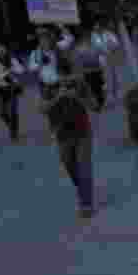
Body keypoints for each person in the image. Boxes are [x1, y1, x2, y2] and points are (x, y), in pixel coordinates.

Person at [42, 75, 96, 218]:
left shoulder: (79, 83)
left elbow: (94, 105)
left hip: (83, 132)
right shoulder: (49, 86)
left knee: (84, 167)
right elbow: (42, 108)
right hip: (63, 136)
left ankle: (86, 204)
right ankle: (82, 188)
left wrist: (78, 97)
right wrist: (59, 97)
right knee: (69, 165)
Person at [0, 43, 26, 142]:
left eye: (3, 48)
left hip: (12, 88)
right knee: (2, 113)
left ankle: (14, 133)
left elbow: (21, 70)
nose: (1, 50)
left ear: (6, 49)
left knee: (13, 111)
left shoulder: (11, 59)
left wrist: (11, 69)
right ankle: (12, 127)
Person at [28, 28, 68, 103]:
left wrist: (61, 27)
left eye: (46, 39)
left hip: (58, 84)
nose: (44, 42)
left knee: (62, 104)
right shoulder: (35, 53)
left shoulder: (57, 50)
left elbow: (69, 40)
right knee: (49, 107)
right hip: (45, 85)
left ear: (50, 40)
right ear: (39, 41)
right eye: (42, 40)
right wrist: (40, 64)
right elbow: (31, 68)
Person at [72, 27, 106, 111]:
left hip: (97, 71)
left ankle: (99, 102)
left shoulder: (95, 45)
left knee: (99, 88)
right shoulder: (79, 48)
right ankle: (96, 104)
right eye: (86, 37)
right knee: (92, 89)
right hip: (88, 73)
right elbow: (78, 62)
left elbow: (101, 56)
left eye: (89, 36)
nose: (88, 38)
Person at [91, 21, 121, 100]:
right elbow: (94, 48)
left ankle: (117, 92)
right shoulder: (93, 36)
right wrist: (100, 51)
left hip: (112, 57)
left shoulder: (109, 34)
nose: (96, 29)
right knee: (107, 77)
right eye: (95, 27)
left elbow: (116, 44)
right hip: (103, 60)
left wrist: (111, 48)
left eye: (98, 27)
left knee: (115, 75)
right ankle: (110, 95)